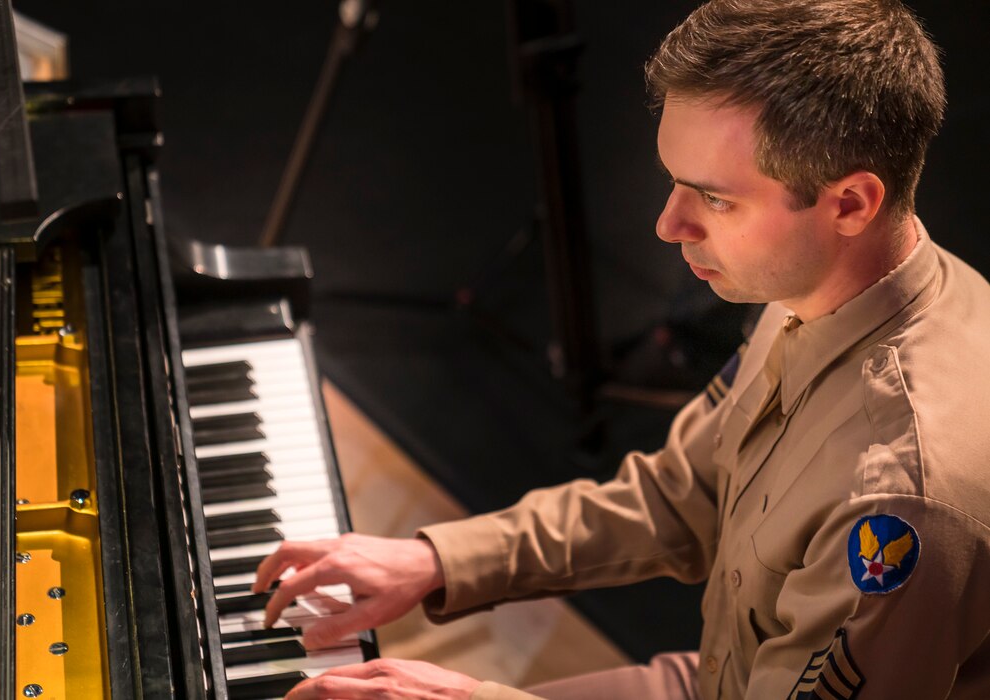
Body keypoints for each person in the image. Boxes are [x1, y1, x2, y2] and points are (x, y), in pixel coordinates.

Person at [251, 1, 990, 697]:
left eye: (715, 198)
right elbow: (680, 492)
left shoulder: (905, 508)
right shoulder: (816, 283)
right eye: (675, 184)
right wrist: (439, 560)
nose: (669, 224)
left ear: (850, 203)